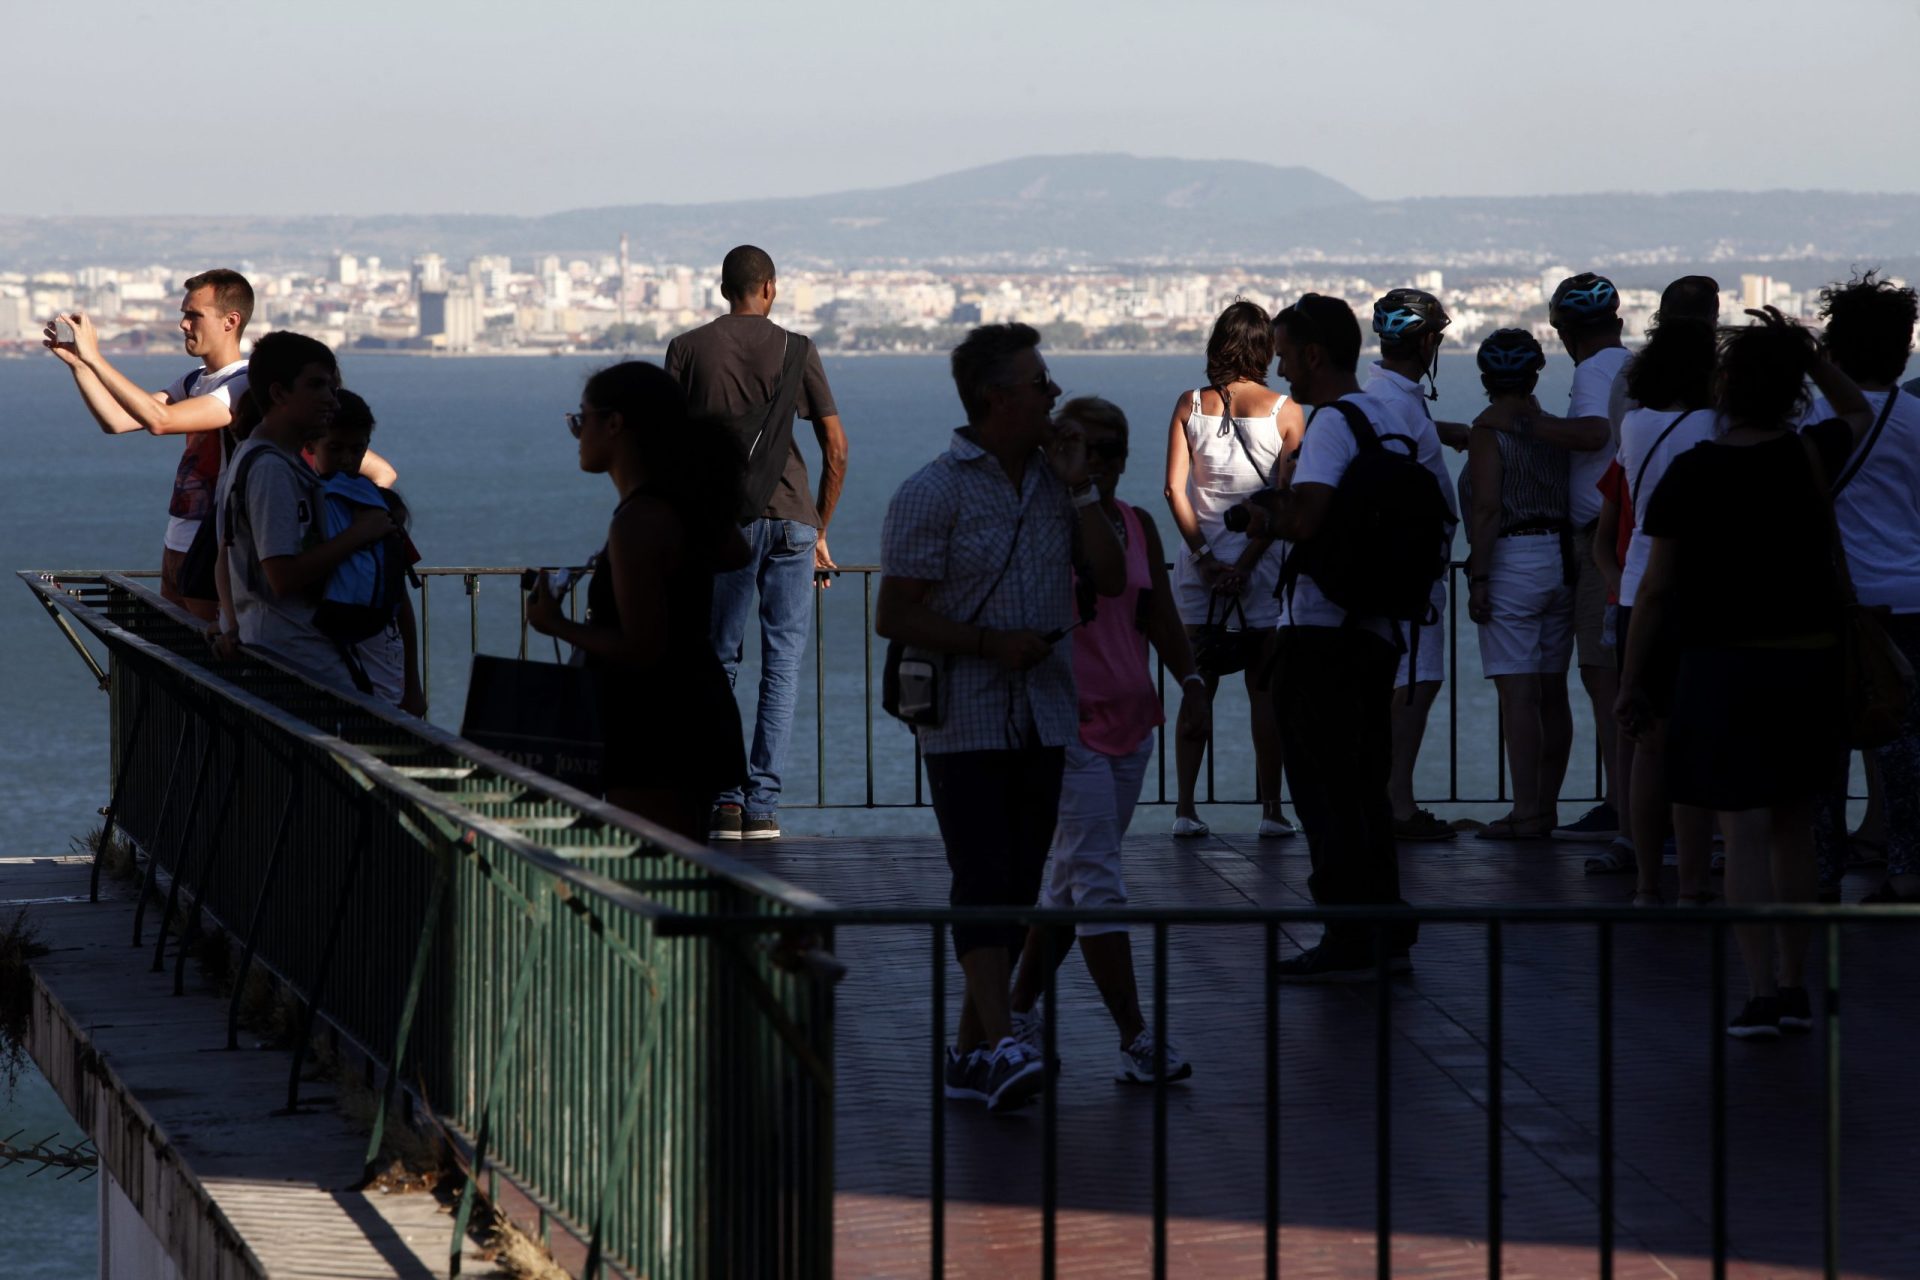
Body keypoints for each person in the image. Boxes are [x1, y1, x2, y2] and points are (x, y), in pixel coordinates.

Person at [876, 323, 1124, 1111]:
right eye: (1040, 384)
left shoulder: (1061, 486)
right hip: (965, 713)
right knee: (982, 874)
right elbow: (894, 613)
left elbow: (1112, 578)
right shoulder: (932, 490)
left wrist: (1085, 487)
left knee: (1018, 882)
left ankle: (970, 1053)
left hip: (1045, 712)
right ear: (995, 399)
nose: (1055, 395)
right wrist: (988, 642)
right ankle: (1006, 1039)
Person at [1618, 309, 1874, 1038]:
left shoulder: (1692, 473)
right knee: (1796, 829)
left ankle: (1761, 989)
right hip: (1809, 663)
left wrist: (1635, 681)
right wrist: (1811, 354)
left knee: (1744, 831)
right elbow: (1856, 407)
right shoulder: (1809, 455)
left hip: (1719, 669)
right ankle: (1796, 982)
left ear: (1724, 389)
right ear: (1792, 394)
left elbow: (1659, 592)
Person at [1007, 397, 1207, 1084]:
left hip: (1131, 725)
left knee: (1068, 885)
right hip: (1066, 727)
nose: (1094, 461)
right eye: (1079, 447)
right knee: (1097, 883)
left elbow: (1156, 612)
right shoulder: (1039, 526)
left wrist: (1193, 680)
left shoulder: (1137, 525)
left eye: (1107, 450)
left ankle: (1014, 1010)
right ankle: (1135, 1037)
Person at [1237, 295, 1427, 982]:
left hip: (1322, 633)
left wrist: (1263, 519)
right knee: (1365, 785)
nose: (1281, 367)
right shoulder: (1391, 416)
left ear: (1313, 354)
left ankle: (1346, 935)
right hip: (1378, 629)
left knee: (1322, 789)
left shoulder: (1331, 427)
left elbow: (1310, 518)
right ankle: (1385, 928)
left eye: (1285, 354)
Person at [665, 246, 849, 843]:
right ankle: (764, 804)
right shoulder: (798, 349)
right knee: (783, 664)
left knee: (719, 662)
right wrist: (821, 529)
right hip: (794, 523)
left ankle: (724, 800)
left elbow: (666, 451)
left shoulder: (687, 349)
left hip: (724, 526)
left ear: (724, 289)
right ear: (770, 287)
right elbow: (837, 447)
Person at [525, 362, 752, 843]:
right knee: (686, 878)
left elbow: (643, 646)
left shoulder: (637, 522)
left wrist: (555, 623)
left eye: (579, 420)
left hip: (653, 731)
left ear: (614, 423)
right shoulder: (681, 503)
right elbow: (735, 550)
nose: (577, 433)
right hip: (697, 711)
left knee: (654, 881)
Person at [1475, 273, 1632, 842]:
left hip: (1576, 547)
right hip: (1568, 557)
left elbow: (1590, 434)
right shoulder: (1629, 367)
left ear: (1565, 334)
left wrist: (1478, 574)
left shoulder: (1592, 373)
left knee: (1588, 680)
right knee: (1566, 686)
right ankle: (1596, 804)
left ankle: (1585, 808)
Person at [1161, 301, 1303, 839]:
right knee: (1264, 693)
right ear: (1266, 349)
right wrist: (1243, 565)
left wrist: (1204, 560)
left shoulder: (1189, 404)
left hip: (1197, 572)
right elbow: (1285, 499)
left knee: (1198, 686)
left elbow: (1175, 489)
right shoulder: (1285, 411)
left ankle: (1185, 808)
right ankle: (1271, 810)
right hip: (1262, 570)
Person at [1802, 273, 1920, 904]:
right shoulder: (1917, 419)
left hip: (1831, 603)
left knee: (1823, 747)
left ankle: (1821, 869)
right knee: (1905, 743)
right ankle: (1906, 867)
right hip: (1908, 600)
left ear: (1836, 348)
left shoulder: (1814, 421)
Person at [45, 270, 255, 622]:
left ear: (230, 321)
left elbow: (160, 421)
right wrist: (80, 365)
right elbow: (117, 420)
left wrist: (96, 358)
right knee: (175, 652)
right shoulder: (194, 381)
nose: (183, 325)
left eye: (194, 315)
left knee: (204, 655)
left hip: (215, 542)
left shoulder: (242, 385)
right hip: (179, 535)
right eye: (184, 314)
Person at [1599, 316, 1720, 901]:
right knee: (1695, 745)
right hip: (1703, 594)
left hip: (1637, 592)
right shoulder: (1717, 424)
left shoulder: (1637, 424)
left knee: (1647, 744)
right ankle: (1695, 881)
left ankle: (1648, 883)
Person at [213, 333, 394, 691]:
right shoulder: (271, 469)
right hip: (297, 657)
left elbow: (228, 554)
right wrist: (361, 532)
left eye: (332, 385)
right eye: (316, 385)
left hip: (283, 650)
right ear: (279, 394)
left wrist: (232, 624)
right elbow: (282, 575)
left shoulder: (261, 457)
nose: (330, 399)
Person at [1461, 330, 1576, 840]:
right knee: (1554, 693)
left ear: (1485, 379)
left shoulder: (1490, 433)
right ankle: (1547, 808)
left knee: (1518, 695)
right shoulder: (1552, 430)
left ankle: (1525, 810)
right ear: (1535, 375)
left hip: (1512, 561)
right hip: (1560, 558)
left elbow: (1487, 508)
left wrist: (1479, 577)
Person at [1364, 289, 1464, 841]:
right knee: (1415, 683)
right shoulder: (1400, 402)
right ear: (1427, 342)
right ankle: (1396, 803)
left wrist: (1441, 431)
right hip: (1412, 572)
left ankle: (1388, 797)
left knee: (1405, 684)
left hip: (1401, 568)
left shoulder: (1388, 394)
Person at [307, 391, 426, 716]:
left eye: (356, 449)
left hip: (380, 662)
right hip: (354, 665)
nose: (346, 459)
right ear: (311, 445)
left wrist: (413, 685)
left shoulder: (378, 509)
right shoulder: (370, 507)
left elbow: (400, 599)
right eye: (336, 448)